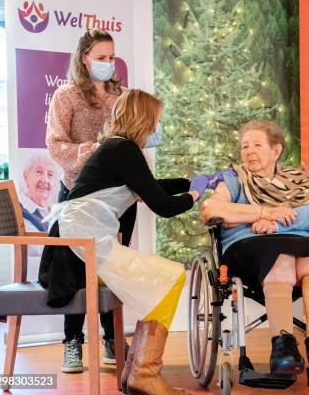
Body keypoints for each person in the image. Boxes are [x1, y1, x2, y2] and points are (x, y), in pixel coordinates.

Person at [39, 89, 213, 394]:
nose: (158, 127)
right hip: (81, 251)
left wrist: (192, 182)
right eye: (157, 120)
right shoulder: (124, 151)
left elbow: (150, 186)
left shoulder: (117, 149)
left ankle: (136, 371)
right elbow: (164, 206)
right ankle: (143, 374)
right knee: (170, 279)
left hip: (77, 247)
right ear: (143, 119)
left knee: (163, 280)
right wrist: (195, 194)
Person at [201, 120, 309, 376]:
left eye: (257, 145)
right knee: (281, 260)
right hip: (248, 245)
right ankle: (283, 346)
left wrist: (276, 222)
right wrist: (262, 212)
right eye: (245, 146)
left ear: (276, 151)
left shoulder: (298, 179)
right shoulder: (235, 179)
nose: (249, 151)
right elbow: (212, 209)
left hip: (296, 240)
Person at [45, 28, 128, 371]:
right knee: (73, 269)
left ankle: (111, 338)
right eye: (101, 58)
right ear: (84, 59)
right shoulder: (66, 96)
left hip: (117, 195)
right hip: (77, 194)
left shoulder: (121, 95)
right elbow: (54, 144)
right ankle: (72, 343)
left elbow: (135, 133)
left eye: (111, 58)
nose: (108, 64)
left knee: (112, 267)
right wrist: (90, 151)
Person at [20, 153, 59, 233]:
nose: (45, 180)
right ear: (25, 176)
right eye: (39, 172)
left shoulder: (53, 210)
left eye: (50, 174)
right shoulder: (20, 213)